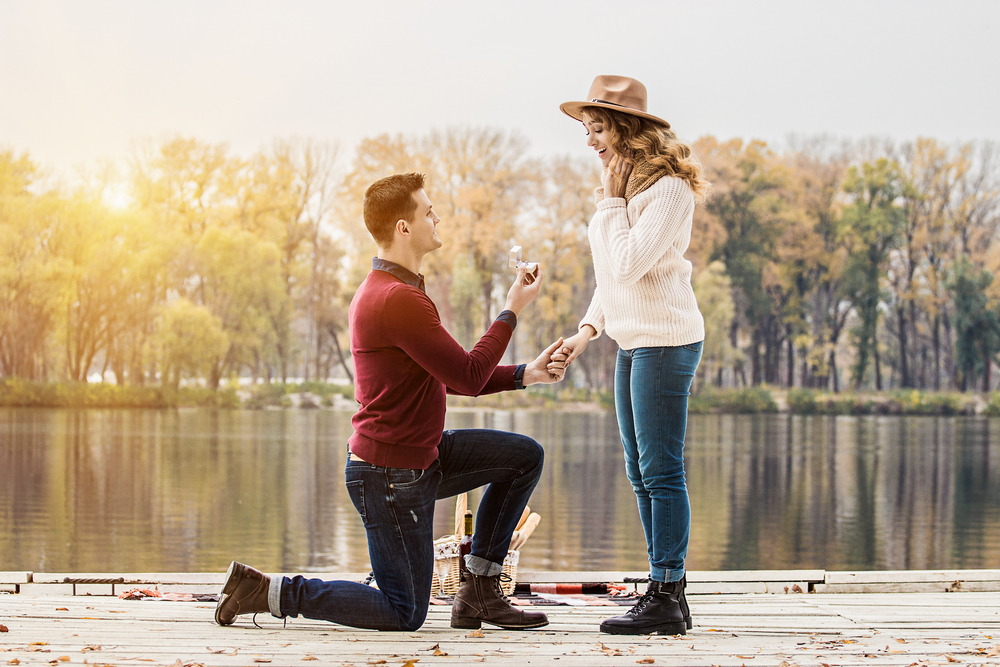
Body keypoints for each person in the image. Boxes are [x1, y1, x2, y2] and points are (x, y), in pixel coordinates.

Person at [215, 172, 565, 632]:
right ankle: (267, 590)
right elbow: (467, 373)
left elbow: (450, 376)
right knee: (404, 612)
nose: (437, 218)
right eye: (428, 211)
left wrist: (526, 374)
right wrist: (512, 308)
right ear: (404, 227)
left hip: (420, 457)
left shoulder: (398, 291)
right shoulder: (396, 299)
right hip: (388, 476)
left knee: (523, 458)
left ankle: (479, 591)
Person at [552, 75, 709, 636]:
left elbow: (629, 264)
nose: (590, 140)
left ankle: (668, 591)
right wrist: (586, 330)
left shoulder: (666, 191)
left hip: (666, 339)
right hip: (630, 339)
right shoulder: (618, 191)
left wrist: (614, 200)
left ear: (626, 129)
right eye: (588, 129)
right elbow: (610, 279)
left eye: (598, 129)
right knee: (639, 472)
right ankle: (660, 591)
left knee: (662, 470)